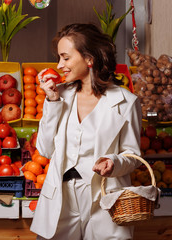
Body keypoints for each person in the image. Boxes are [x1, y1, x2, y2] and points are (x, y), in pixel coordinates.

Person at [30, 23, 142, 239]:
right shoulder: (58, 95)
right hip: (61, 199)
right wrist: (52, 102)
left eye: (65, 57)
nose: (59, 65)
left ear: (90, 59)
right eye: (59, 58)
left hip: (104, 198)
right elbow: (44, 149)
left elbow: (133, 155)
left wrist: (115, 163)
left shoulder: (126, 102)